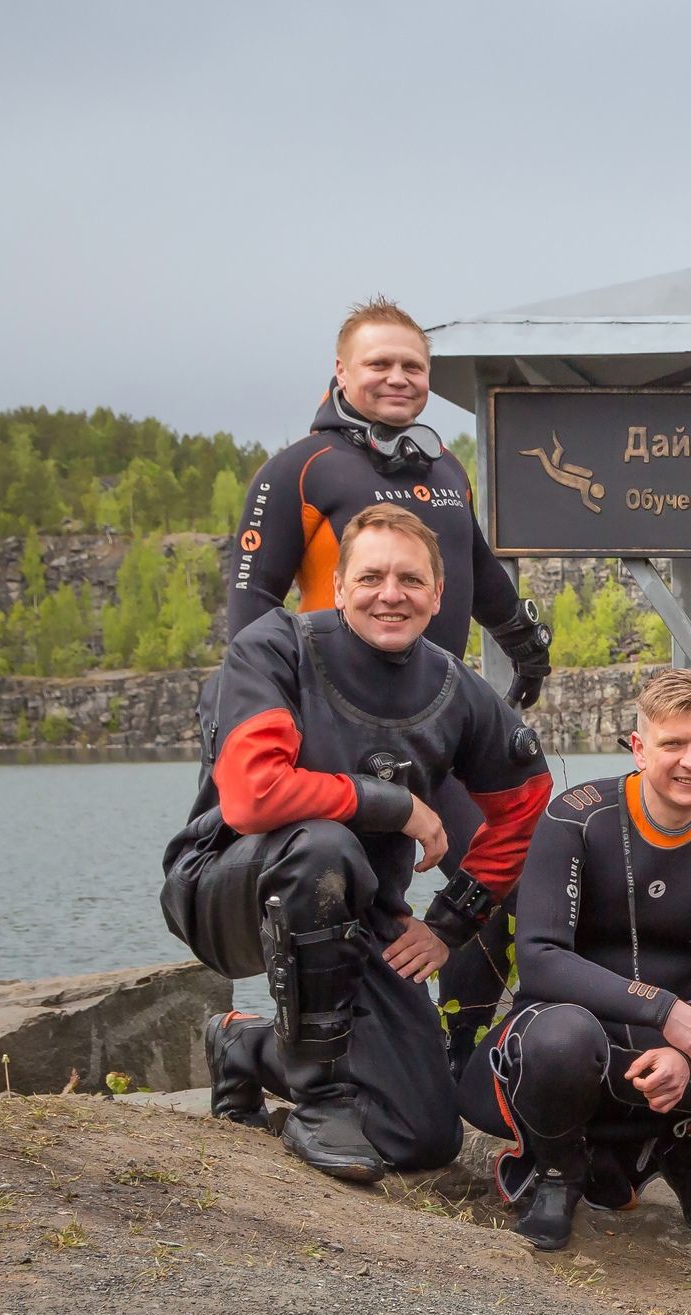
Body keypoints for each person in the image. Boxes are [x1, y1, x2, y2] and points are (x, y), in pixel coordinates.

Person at [164, 505, 550, 1183]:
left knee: (422, 1135)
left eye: (410, 579)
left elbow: (526, 805)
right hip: (225, 887)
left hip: (355, 917)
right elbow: (253, 796)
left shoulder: (455, 690)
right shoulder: (274, 648)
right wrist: (393, 804)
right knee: (323, 845)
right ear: (338, 587)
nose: (390, 594)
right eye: (370, 577)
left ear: (437, 595)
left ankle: (246, 1048)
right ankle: (318, 1103)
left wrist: (451, 923)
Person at [221, 298, 554, 1074]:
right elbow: (250, 614)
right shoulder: (300, 468)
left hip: (439, 734)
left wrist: (523, 647)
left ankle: (460, 1053)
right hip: (330, 738)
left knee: (499, 879)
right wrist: (251, 724)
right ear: (341, 371)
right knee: (334, 892)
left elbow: (476, 570)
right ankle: (297, 1053)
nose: (398, 378)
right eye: (380, 364)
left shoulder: (443, 469)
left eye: (414, 367)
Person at [477, 669, 691, 1250]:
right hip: (571, 1034)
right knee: (563, 1038)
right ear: (639, 748)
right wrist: (663, 1009)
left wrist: (690, 1050)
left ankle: (683, 1152)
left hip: (676, 1044)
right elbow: (539, 959)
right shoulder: (577, 817)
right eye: (673, 744)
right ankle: (559, 1174)